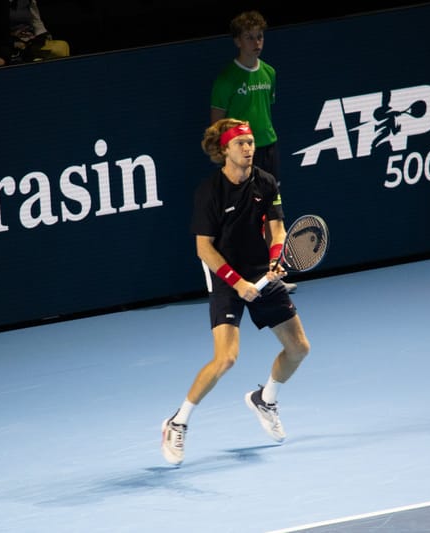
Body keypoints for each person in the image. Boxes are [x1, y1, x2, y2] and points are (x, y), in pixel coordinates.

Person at [160, 118, 311, 466]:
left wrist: (276, 258)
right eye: (240, 143)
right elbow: (204, 249)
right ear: (224, 150)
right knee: (226, 358)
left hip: (260, 270)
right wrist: (237, 282)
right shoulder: (209, 192)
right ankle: (177, 422)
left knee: (299, 348)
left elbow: (277, 229)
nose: (248, 148)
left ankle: (265, 398)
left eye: (251, 142)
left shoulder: (266, 181)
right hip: (225, 276)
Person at [209, 10, 297, 293]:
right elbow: (217, 125)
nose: (256, 42)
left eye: (259, 36)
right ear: (237, 41)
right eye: (249, 37)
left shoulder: (270, 72)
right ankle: (240, 275)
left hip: (269, 149)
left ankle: (274, 272)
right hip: (240, 155)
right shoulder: (226, 80)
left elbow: (265, 111)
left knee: (273, 212)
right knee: (247, 215)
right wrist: (229, 157)